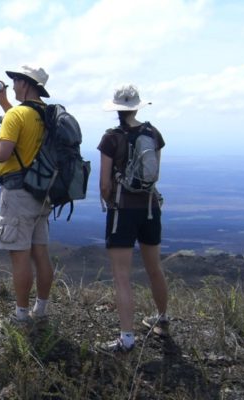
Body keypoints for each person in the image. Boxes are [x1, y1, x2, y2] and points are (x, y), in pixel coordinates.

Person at [98, 85, 169, 352]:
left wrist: (111, 202)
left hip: (122, 210)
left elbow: (104, 184)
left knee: (122, 276)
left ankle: (127, 338)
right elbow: (156, 174)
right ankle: (162, 320)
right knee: (155, 268)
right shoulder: (153, 133)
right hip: (151, 208)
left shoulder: (111, 138)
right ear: (138, 106)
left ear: (116, 108)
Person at [0, 65, 54, 325]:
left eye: (15, 81)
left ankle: (21, 315)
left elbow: (3, 152)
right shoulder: (47, 114)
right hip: (43, 191)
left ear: (25, 83)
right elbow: (28, 135)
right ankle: (42, 308)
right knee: (41, 253)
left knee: (19, 255)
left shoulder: (17, 115)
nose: (13, 86)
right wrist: (4, 103)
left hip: (17, 193)